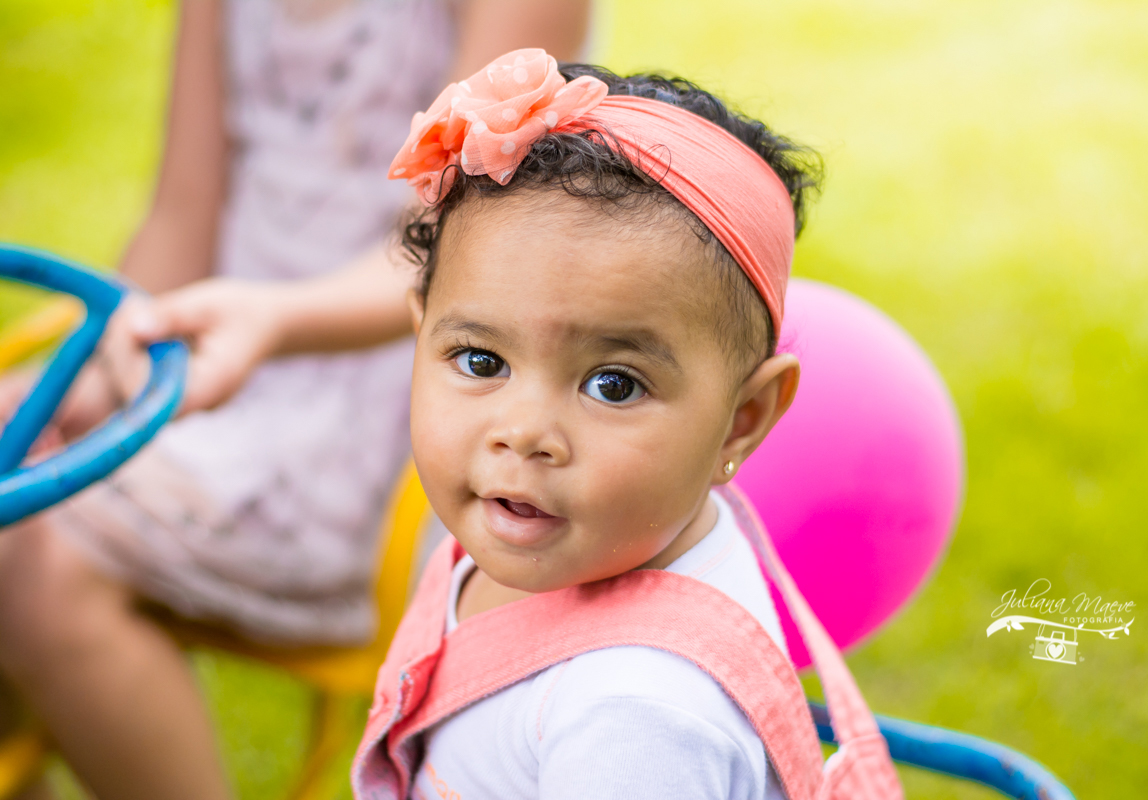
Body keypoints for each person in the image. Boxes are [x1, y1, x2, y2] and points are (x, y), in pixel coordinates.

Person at [132, 49, 899, 799]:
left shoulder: (637, 716)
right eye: (479, 361)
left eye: (613, 384)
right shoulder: (565, 535)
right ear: (420, 332)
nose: (524, 431)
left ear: (743, 420)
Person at [0, 4, 587, 800]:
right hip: (211, 360)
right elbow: (182, 219)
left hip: (379, 413)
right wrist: (98, 372)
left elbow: (465, 248)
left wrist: (271, 322)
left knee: (20, 558)